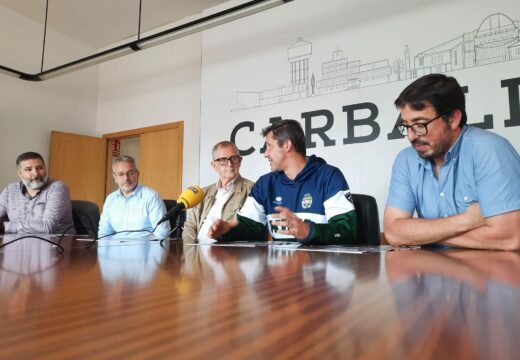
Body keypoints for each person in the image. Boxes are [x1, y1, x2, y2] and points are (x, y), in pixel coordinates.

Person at [384, 73, 520, 250]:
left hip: (490, 272)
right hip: (434, 271)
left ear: (453, 118)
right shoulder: (406, 159)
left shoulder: (490, 149)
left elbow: (509, 238)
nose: (411, 136)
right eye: (406, 126)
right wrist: (466, 220)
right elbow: (394, 233)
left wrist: (422, 235)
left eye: (420, 124)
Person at [208, 120, 357, 244]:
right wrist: (228, 231)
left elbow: (348, 230)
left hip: (321, 272)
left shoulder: (329, 176)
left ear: (287, 145)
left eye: (269, 146)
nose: (265, 154)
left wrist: (309, 231)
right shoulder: (265, 184)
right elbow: (250, 227)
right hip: (278, 273)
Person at [182, 141, 254, 243]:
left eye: (233, 158)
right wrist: (189, 249)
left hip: (227, 253)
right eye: (223, 160)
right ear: (214, 165)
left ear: (240, 161)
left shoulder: (252, 189)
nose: (230, 164)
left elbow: (249, 228)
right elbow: (190, 226)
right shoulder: (203, 192)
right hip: (197, 251)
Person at [0, 151, 75, 234]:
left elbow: (47, 227)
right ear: (20, 173)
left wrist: (4, 226)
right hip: (19, 243)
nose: (36, 173)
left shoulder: (57, 188)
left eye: (40, 168)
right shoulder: (9, 190)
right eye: (28, 169)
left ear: (45, 169)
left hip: (57, 243)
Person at [98, 155, 170, 238]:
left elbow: (163, 231)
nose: (126, 178)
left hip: (145, 248)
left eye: (130, 173)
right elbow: (103, 232)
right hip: (117, 248)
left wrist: (139, 245)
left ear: (137, 174)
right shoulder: (110, 199)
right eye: (121, 174)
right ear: (115, 177)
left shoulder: (151, 196)